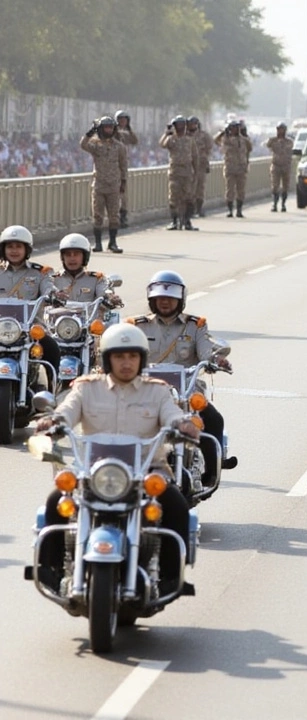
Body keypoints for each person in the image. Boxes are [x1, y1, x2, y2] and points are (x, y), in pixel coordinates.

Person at [34, 323, 199, 598]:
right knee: (55, 500)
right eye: (119, 357)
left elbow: (172, 414)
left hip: (146, 470)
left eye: (132, 356)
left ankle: (172, 577)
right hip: (94, 472)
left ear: (141, 359)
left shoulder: (157, 391)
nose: (126, 363)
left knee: (176, 505)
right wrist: (53, 420)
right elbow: (67, 410)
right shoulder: (87, 388)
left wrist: (183, 425)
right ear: (107, 359)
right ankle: (50, 569)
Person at [126, 271, 238, 491]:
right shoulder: (136, 325)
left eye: (170, 298)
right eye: (160, 298)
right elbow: (121, 349)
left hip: (186, 389)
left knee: (213, 420)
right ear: (152, 300)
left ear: (181, 300)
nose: (165, 302)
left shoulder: (195, 326)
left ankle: (212, 472)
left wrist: (216, 360)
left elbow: (206, 352)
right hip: (146, 391)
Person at [0, 225, 62, 374]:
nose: (14, 251)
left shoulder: (41, 272)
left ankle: (52, 389)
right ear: (3, 249)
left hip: (30, 329)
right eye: (10, 246)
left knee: (52, 348)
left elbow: (49, 286)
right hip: (1, 328)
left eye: (18, 246)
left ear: (27, 249)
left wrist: (54, 295)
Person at [79, 116, 127, 253]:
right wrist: (90, 132)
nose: (108, 130)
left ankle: (113, 242)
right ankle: (98, 243)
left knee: (114, 216)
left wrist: (123, 182)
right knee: (98, 215)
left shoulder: (119, 146)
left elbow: (124, 166)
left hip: (113, 186)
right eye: (106, 127)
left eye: (111, 127)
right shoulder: (95, 144)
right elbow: (83, 144)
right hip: (99, 185)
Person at [50, 233, 122, 311]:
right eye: (68, 254)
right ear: (62, 257)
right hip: (59, 321)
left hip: (88, 321)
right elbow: (44, 294)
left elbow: (104, 293)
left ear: (85, 257)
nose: (72, 258)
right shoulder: (53, 279)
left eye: (76, 254)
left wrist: (111, 299)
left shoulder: (98, 278)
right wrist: (53, 297)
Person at [159, 115, 198, 231]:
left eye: (182, 125)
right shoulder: (171, 139)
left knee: (189, 198)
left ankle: (187, 221)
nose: (180, 127)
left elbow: (195, 157)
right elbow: (162, 144)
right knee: (173, 198)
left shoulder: (189, 140)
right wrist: (167, 133)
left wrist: (195, 172)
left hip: (187, 173)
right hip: (175, 173)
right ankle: (174, 221)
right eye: (178, 125)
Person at [216, 120, 253, 218]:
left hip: (241, 168)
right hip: (230, 168)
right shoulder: (226, 139)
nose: (235, 130)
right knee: (230, 190)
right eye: (232, 128)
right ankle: (230, 210)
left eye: (236, 128)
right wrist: (223, 132)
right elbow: (215, 141)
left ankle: (239, 210)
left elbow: (250, 149)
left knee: (241, 190)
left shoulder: (244, 140)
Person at [114, 110, 138, 228]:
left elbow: (135, 141)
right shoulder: (113, 132)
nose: (123, 122)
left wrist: (129, 128)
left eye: (125, 120)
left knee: (123, 194)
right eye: (121, 120)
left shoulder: (125, 134)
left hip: (122, 166)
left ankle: (122, 217)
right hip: (111, 166)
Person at [187, 117, 213, 218]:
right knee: (190, 188)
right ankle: (190, 209)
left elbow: (209, 146)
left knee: (200, 187)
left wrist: (204, 157)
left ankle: (199, 208)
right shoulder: (185, 135)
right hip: (188, 165)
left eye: (194, 124)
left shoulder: (203, 135)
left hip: (201, 164)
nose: (192, 125)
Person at [266, 122, 294, 212]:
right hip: (276, 166)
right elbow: (267, 145)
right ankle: (274, 204)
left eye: (282, 129)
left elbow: (290, 150)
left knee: (285, 186)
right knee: (275, 186)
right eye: (279, 129)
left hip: (286, 166)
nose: (281, 131)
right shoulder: (273, 141)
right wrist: (275, 139)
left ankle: (283, 204)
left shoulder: (289, 142)